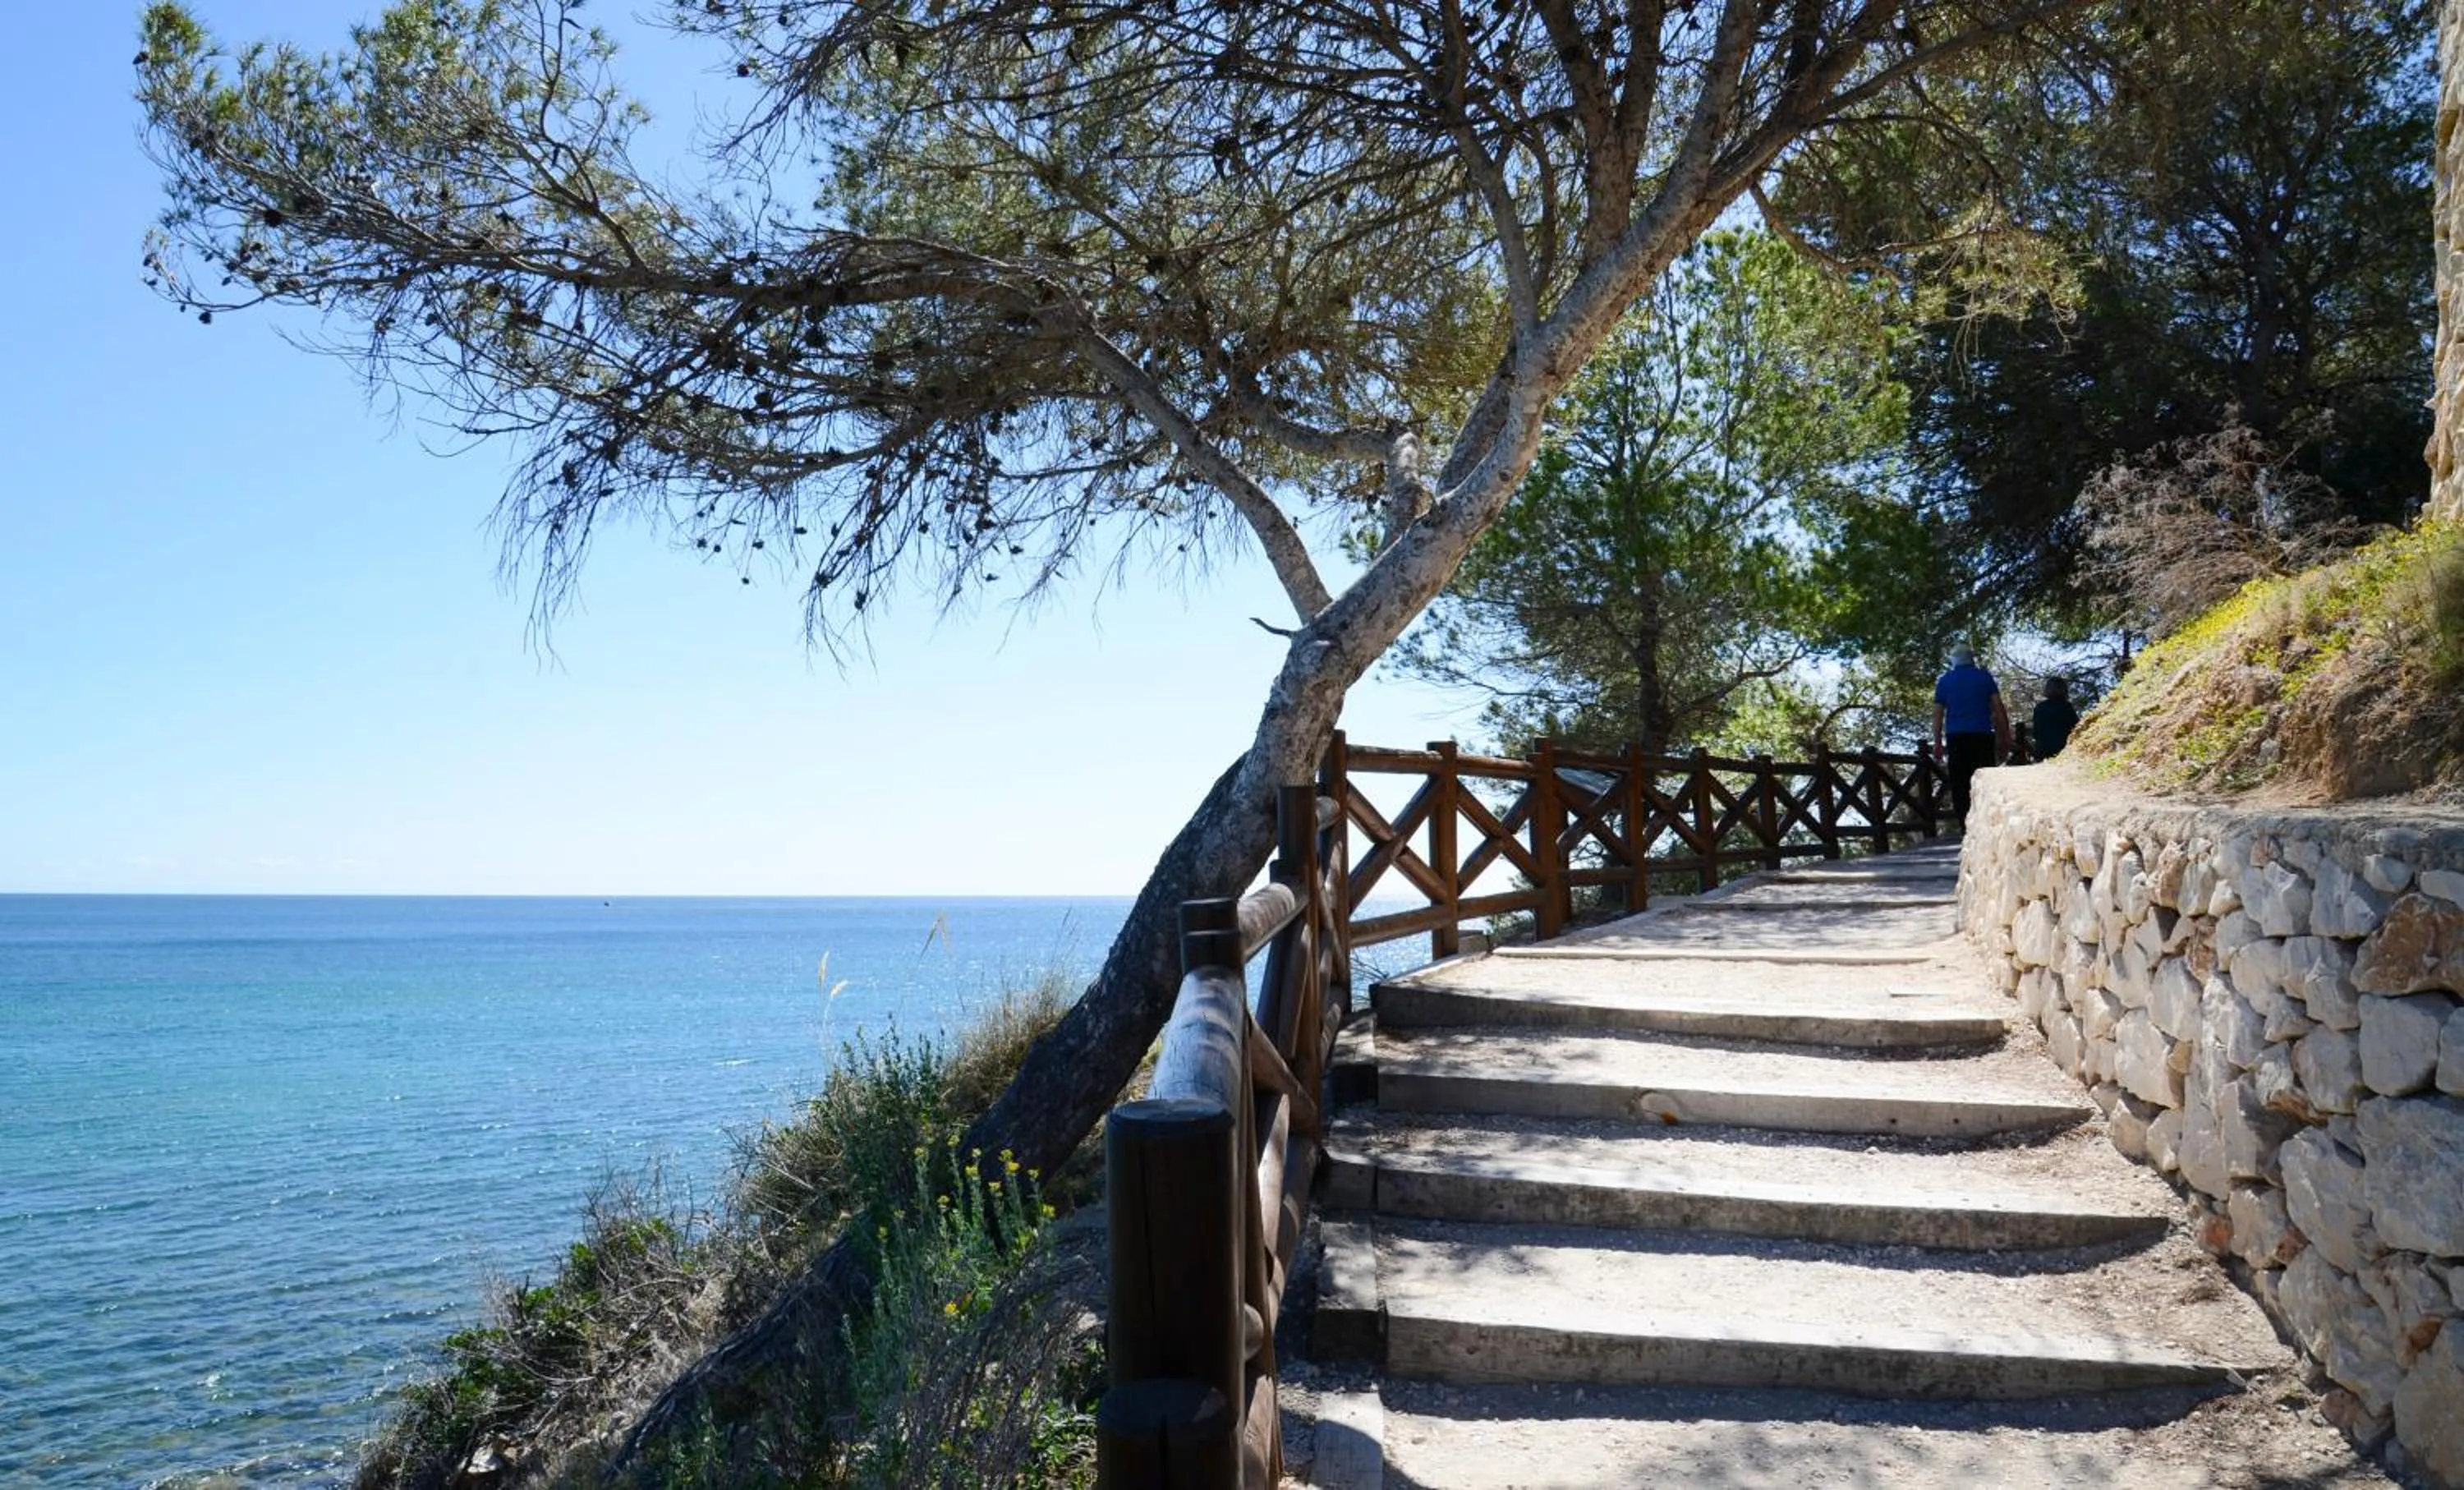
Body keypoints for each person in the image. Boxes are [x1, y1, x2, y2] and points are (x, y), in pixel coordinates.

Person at [1933, 644, 2008, 827]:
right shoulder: (1984, 677)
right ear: (1971, 658)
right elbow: (1998, 708)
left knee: (1960, 785)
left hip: (1956, 738)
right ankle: (1986, 825)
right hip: (1982, 736)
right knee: (1984, 781)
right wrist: (2004, 735)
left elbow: (1938, 714)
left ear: (1953, 660)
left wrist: (1937, 742)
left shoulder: (1944, 681)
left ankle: (1965, 828)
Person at [2034, 677, 2080, 760]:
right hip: (2063, 749)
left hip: (2042, 750)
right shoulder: (2066, 707)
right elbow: (2076, 728)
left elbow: (2036, 732)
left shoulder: (2040, 707)